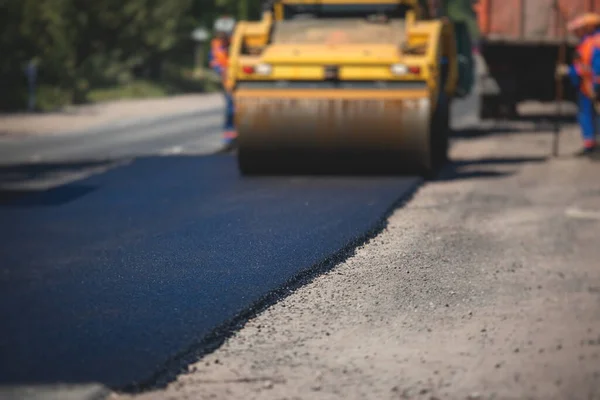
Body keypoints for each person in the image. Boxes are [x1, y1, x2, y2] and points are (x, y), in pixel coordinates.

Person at [557, 13, 600, 156]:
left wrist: (568, 71)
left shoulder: (593, 42)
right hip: (589, 85)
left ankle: (593, 146)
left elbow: (588, 68)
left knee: (590, 115)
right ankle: (592, 144)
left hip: (592, 86)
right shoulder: (589, 41)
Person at [209, 17, 237, 148]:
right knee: (231, 109)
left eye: (224, 33)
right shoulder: (216, 45)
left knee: (239, 110)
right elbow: (214, 61)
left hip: (240, 81)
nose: (222, 36)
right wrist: (220, 69)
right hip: (226, 82)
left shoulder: (238, 43)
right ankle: (229, 138)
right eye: (220, 33)